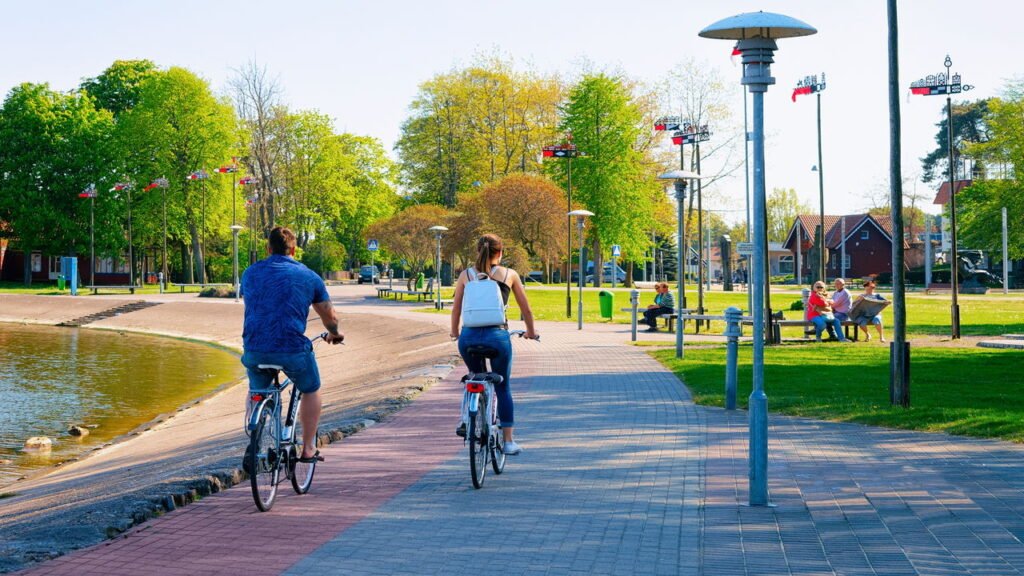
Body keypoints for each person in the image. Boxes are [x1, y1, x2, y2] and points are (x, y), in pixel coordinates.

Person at [241, 226, 345, 464]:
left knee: (257, 389)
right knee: (310, 388)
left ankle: (255, 431)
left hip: (254, 348)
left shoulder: (249, 273)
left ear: (268, 249)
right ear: (294, 249)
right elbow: (330, 317)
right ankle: (308, 448)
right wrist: (335, 334)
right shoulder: (309, 276)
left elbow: (257, 306)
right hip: (292, 348)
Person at [450, 234, 538, 456]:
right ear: (500, 252)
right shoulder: (510, 275)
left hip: (468, 338)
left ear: (477, 250)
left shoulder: (465, 275)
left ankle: (466, 419)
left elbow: (456, 309)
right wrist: (531, 332)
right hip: (497, 337)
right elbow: (526, 310)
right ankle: (508, 442)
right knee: (502, 386)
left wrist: (454, 332)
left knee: (474, 375)